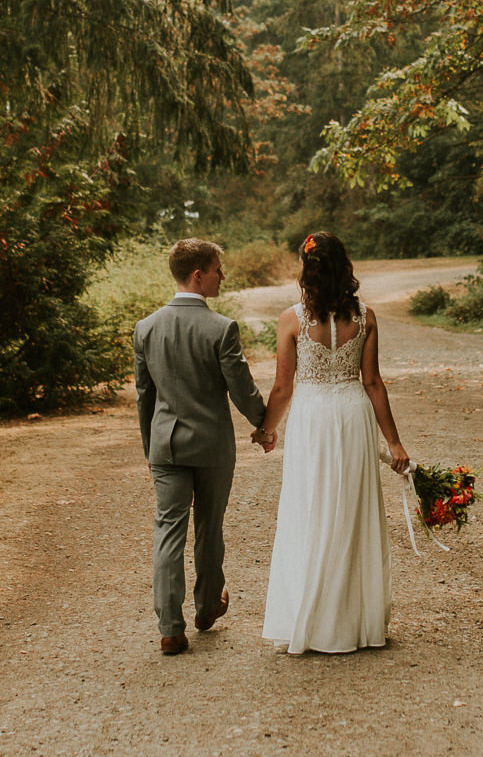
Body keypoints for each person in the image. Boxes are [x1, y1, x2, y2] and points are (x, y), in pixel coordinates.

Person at [253, 231, 411, 654]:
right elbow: (373, 383)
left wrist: (267, 429)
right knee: (352, 511)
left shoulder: (292, 320)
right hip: (353, 415)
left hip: (312, 419)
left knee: (311, 510)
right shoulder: (365, 315)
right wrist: (394, 443)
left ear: (307, 271)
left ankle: (312, 617)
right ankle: (353, 622)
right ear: (346, 267)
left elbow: (283, 388)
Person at [133, 237, 270, 657]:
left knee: (167, 531)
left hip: (166, 448)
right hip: (211, 446)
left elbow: (145, 396)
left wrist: (150, 448)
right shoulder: (220, 327)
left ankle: (170, 628)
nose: (221, 276)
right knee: (210, 527)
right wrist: (264, 423)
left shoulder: (146, 327)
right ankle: (208, 607)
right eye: (216, 269)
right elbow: (241, 389)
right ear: (198, 274)